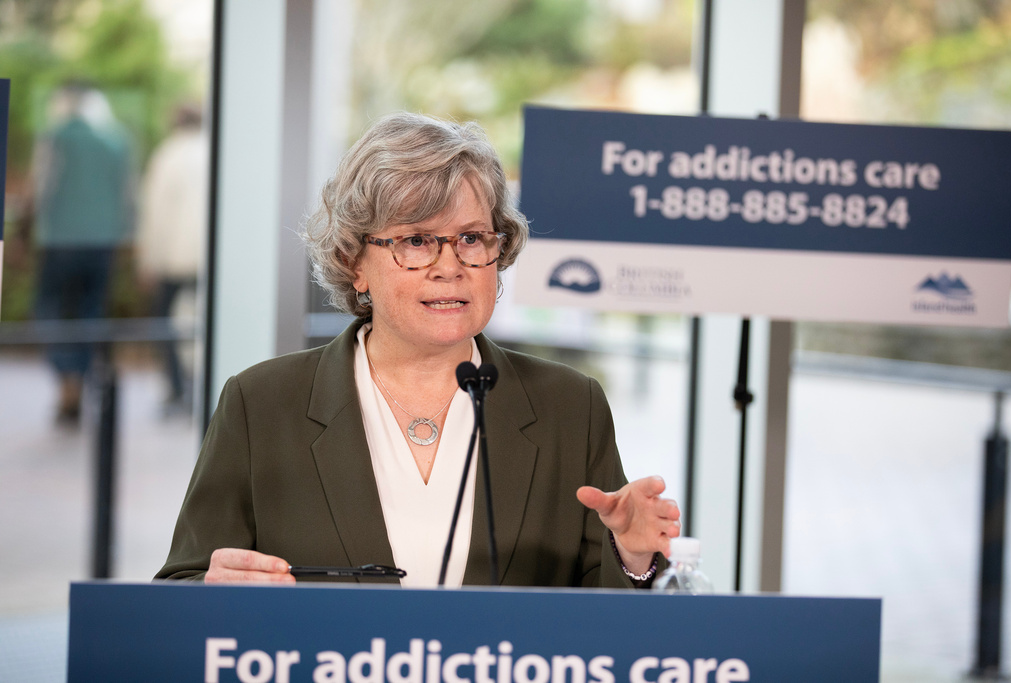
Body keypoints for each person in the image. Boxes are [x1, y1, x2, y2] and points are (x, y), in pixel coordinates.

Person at [156, 112, 679, 588]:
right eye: (416, 240)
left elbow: (607, 625)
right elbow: (177, 590)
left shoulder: (571, 405)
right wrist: (211, 593)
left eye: (472, 238)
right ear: (353, 261)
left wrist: (633, 558)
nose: (450, 266)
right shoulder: (261, 403)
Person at [32, 83, 135, 424]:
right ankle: (81, 376)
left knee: (53, 310)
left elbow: (42, 185)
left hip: (59, 241)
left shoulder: (55, 136)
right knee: (91, 312)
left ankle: (67, 381)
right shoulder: (117, 140)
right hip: (102, 242)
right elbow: (127, 194)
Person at [136, 103, 207, 413]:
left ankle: (178, 389)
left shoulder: (166, 156)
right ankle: (201, 385)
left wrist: (148, 260)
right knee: (203, 321)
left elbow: (155, 214)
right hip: (207, 258)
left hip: (174, 258)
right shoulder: (214, 150)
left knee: (167, 323)